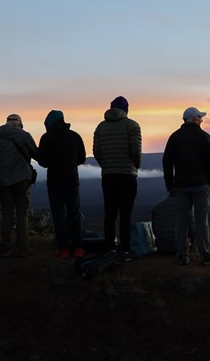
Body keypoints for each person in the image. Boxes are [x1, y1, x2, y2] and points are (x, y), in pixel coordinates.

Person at [162, 107, 210, 265]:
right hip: (201, 185)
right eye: (200, 118)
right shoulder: (205, 137)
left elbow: (167, 162)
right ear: (193, 119)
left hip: (181, 185)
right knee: (202, 221)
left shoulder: (175, 137)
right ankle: (206, 255)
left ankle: (182, 254)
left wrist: (169, 184)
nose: (202, 120)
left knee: (181, 220)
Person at [93, 96, 142, 259]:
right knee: (125, 213)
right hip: (127, 175)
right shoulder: (132, 125)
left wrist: (106, 165)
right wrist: (136, 165)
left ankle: (110, 248)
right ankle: (125, 249)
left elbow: (97, 152)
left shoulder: (100, 127)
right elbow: (135, 150)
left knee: (110, 213)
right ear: (126, 109)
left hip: (108, 176)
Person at [36, 110, 87, 259]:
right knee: (74, 213)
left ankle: (63, 249)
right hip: (72, 180)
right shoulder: (74, 136)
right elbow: (82, 158)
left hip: (54, 182)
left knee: (58, 215)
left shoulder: (46, 138)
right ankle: (78, 247)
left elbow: (43, 162)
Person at [0, 113, 38, 257]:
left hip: (3, 181)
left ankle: (5, 247)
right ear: (20, 123)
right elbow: (36, 154)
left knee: (6, 214)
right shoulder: (24, 136)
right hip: (21, 180)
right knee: (22, 214)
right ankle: (22, 248)